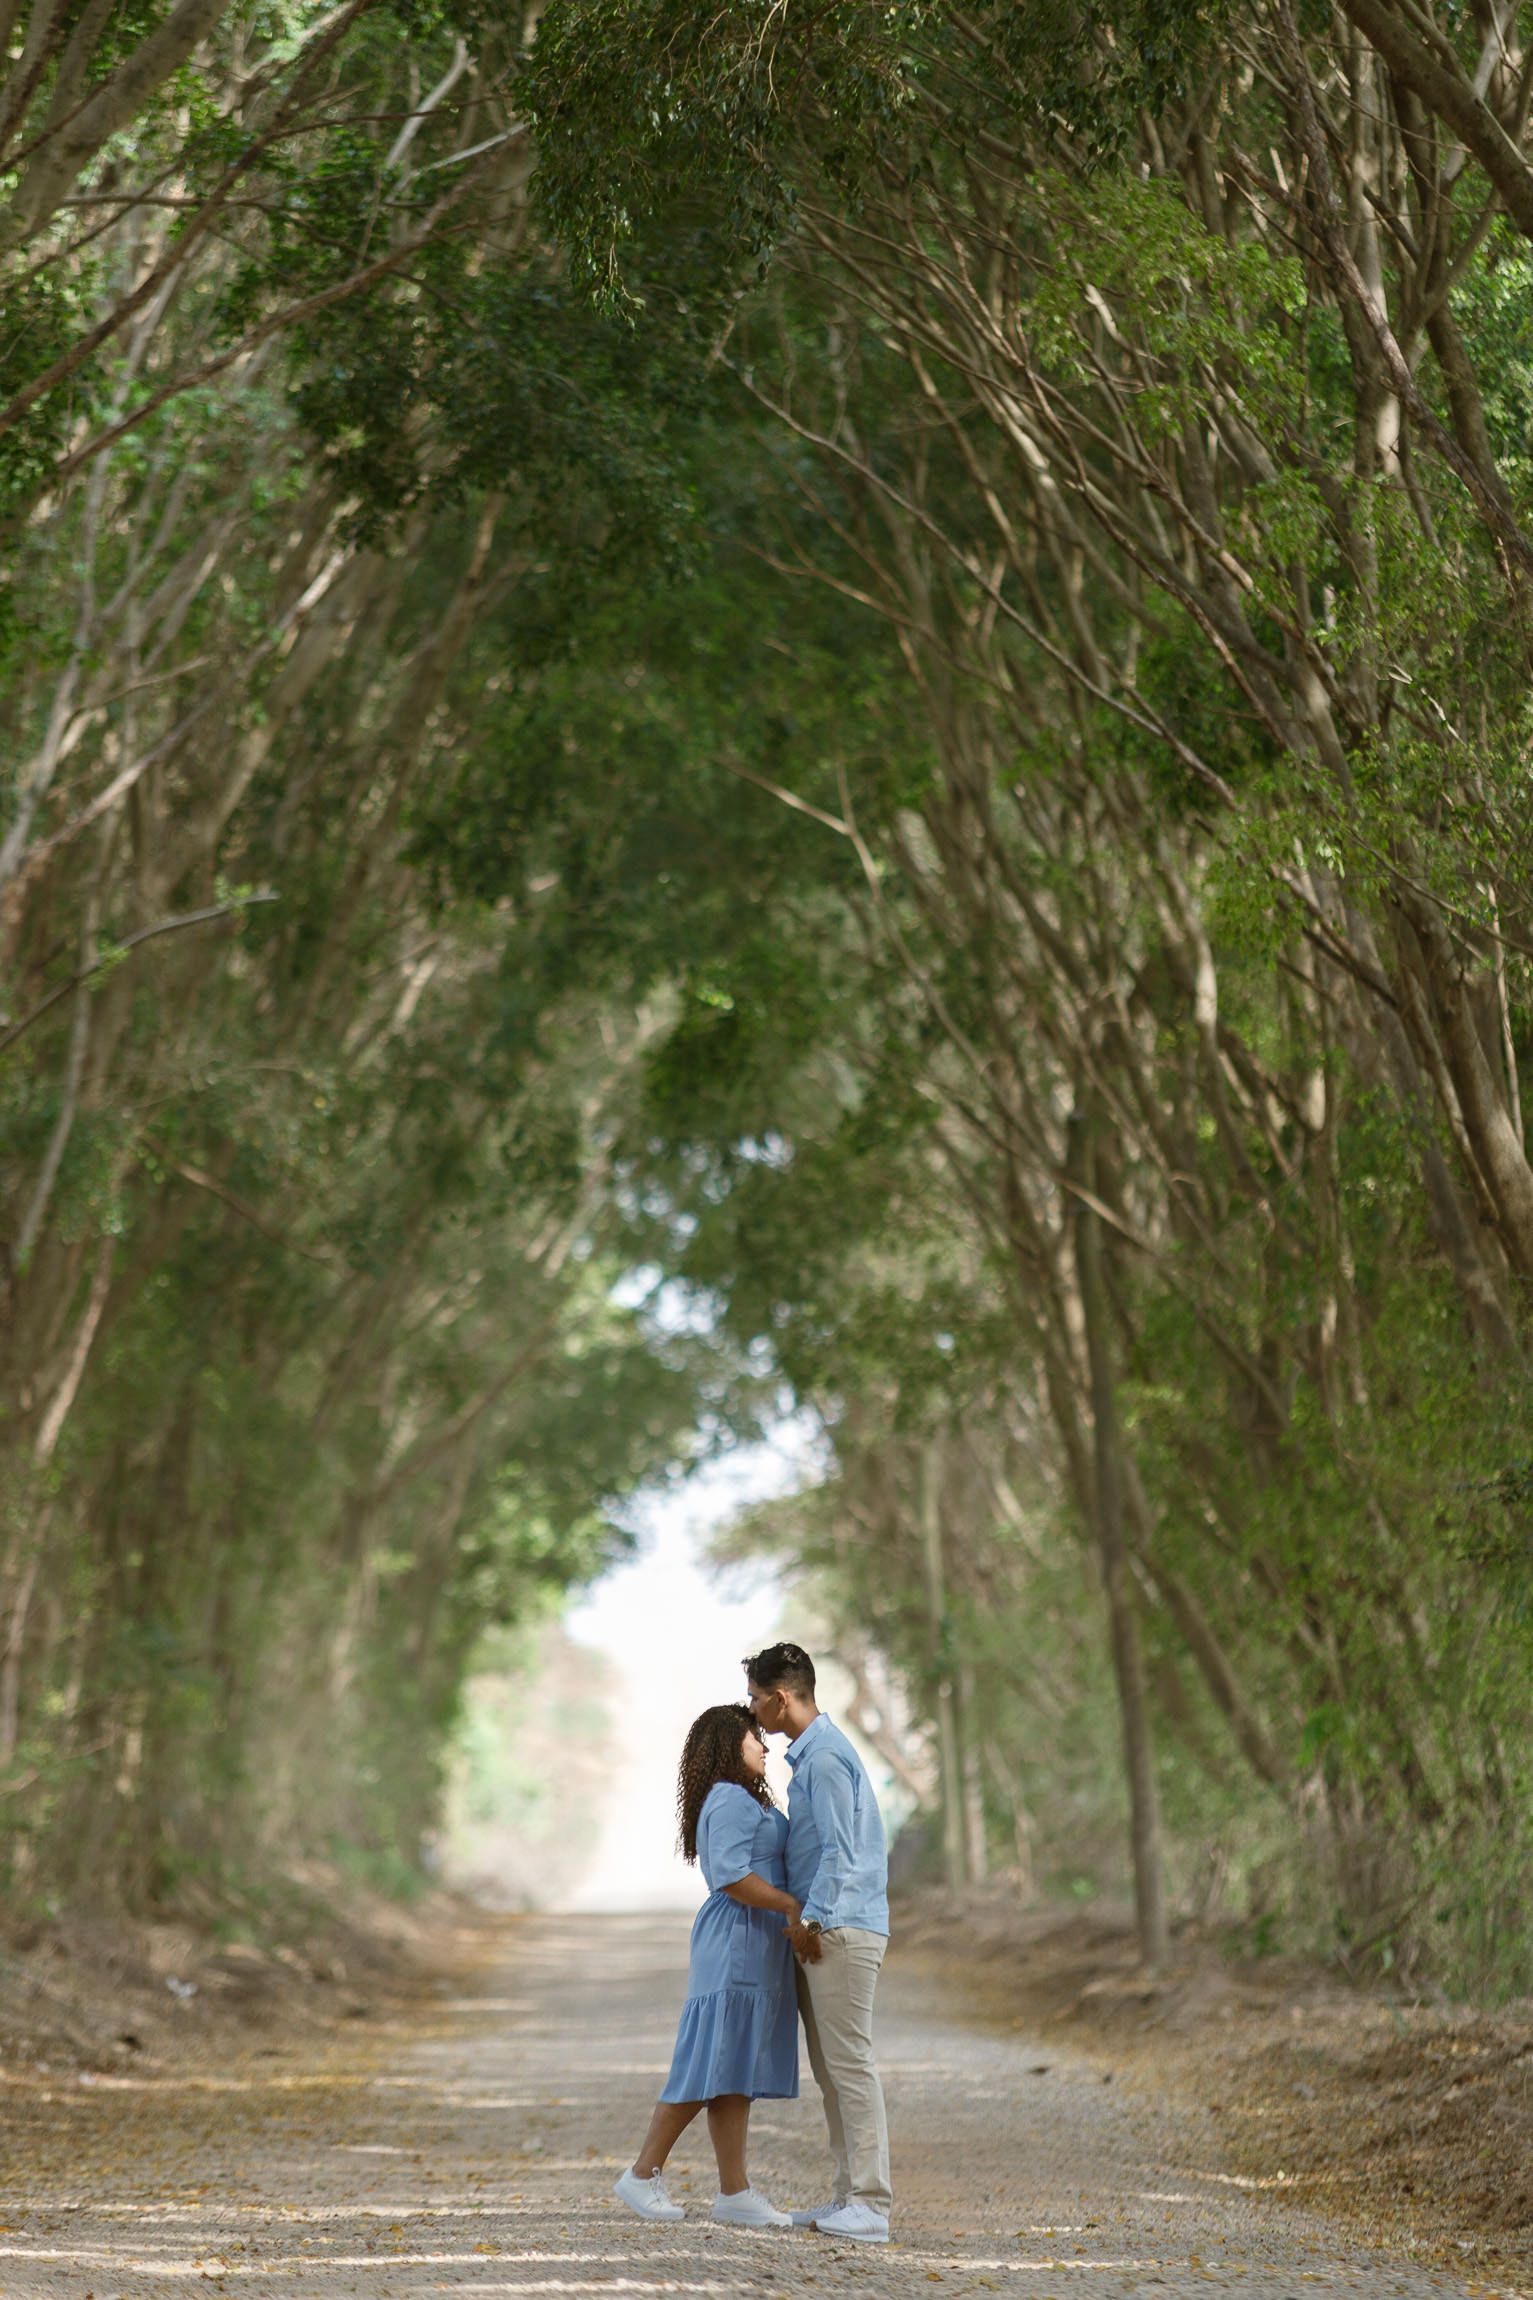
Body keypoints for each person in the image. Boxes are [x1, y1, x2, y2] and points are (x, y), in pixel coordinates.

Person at [614, 1703, 800, 2230]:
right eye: (753, 1739)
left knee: (734, 2071)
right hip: (736, 1942)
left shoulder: (746, 1800)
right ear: (727, 1745)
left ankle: (734, 2192)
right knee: (708, 2062)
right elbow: (729, 1875)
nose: (764, 1747)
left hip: (756, 1944)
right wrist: (789, 1905)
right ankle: (642, 2173)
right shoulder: (728, 1799)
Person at [744, 1640, 892, 2246]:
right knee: (833, 2071)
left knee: (850, 2065)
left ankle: (871, 2203)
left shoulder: (827, 1759)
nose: (753, 1713)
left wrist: (812, 1922)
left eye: (756, 1700)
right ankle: (847, 2196)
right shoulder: (813, 1758)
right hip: (830, 1925)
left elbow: (840, 1852)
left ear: (781, 1698)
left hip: (842, 1928)